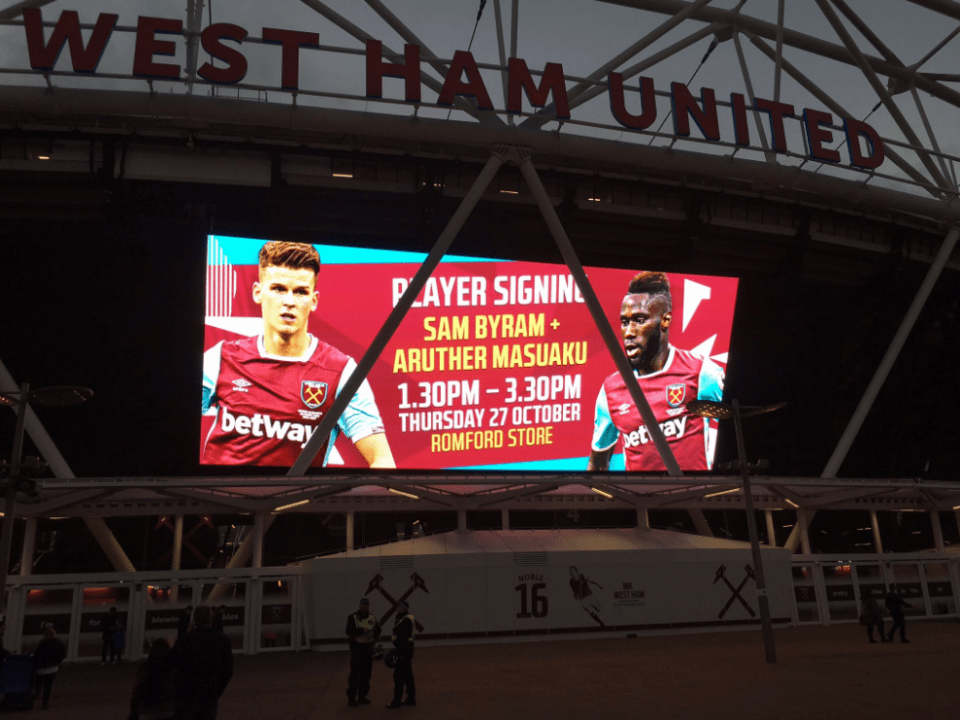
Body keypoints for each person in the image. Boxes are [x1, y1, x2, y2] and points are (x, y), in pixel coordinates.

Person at [201, 240, 396, 469]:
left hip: (295, 502)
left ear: (313, 301)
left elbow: (381, 459)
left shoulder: (341, 371)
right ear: (258, 293)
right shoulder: (221, 358)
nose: (289, 302)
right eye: (278, 289)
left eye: (301, 292)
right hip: (222, 499)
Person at [588, 271, 724, 472]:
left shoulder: (702, 372)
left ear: (665, 320)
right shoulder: (611, 390)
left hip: (694, 498)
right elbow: (598, 463)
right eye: (625, 322)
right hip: (640, 501)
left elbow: (737, 427)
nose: (629, 332)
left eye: (639, 320)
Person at [171, 605, 233, 719]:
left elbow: (173, 664)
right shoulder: (222, 640)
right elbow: (227, 670)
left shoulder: (185, 640)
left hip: (186, 695)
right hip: (209, 695)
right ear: (211, 619)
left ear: (194, 620)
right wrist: (216, 691)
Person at [127, 637, 176, 720]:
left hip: (146, 713)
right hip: (168, 712)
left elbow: (137, 693)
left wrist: (133, 712)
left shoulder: (145, 668)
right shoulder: (172, 669)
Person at [345, 598, 381, 707]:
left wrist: (374, 633)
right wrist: (363, 631)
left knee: (366, 675)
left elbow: (378, 629)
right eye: (363, 604)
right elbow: (349, 631)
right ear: (359, 605)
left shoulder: (372, 617)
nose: (365, 606)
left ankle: (362, 696)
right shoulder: (353, 617)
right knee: (355, 675)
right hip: (357, 649)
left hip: (368, 649)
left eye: (367, 604)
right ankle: (352, 698)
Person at [387, 600, 416, 709]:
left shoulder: (406, 620)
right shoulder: (401, 618)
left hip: (403, 651)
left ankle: (397, 701)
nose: (397, 608)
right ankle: (411, 698)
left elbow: (402, 635)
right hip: (406, 650)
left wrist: (397, 649)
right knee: (408, 675)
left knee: (398, 676)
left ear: (403, 608)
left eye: (399, 606)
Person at [32, 627, 66, 710]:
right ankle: (45, 703)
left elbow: (36, 655)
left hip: (40, 669)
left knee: (37, 686)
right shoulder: (59, 643)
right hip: (52, 668)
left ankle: (30, 701)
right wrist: (57, 661)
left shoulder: (42, 643)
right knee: (48, 687)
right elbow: (63, 655)